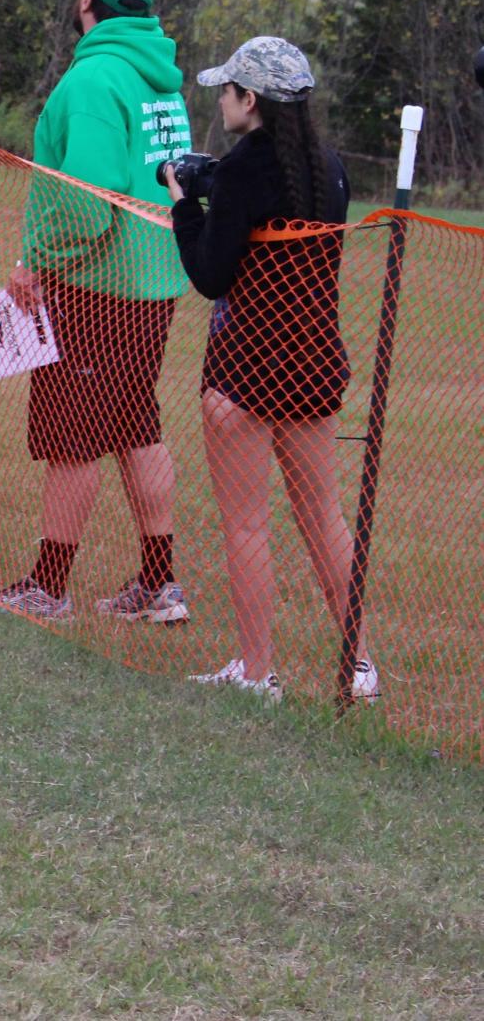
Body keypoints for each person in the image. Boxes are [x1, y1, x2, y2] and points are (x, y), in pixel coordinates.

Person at [172, 36, 377, 703]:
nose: (220, 99)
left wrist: (183, 205)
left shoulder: (240, 173)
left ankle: (257, 672)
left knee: (247, 523)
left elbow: (209, 273)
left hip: (245, 369)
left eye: (226, 90)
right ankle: (359, 663)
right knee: (324, 514)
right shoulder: (329, 168)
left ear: (249, 99)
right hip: (312, 361)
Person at [0, 0, 191, 620]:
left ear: (87, 1)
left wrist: (35, 262)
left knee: (72, 436)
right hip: (154, 281)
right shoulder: (158, 75)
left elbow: (86, 198)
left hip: (96, 287)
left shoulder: (92, 79)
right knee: (136, 426)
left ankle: (47, 586)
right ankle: (159, 584)